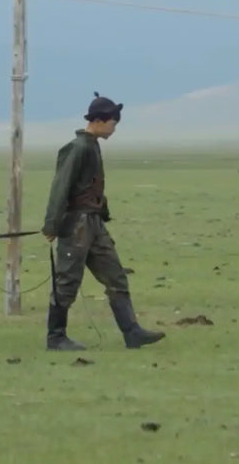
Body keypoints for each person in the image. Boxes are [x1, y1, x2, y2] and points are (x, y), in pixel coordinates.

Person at [40, 92, 166, 351]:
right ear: (98, 121)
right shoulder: (77, 148)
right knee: (66, 282)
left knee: (115, 276)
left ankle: (132, 333)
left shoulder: (91, 146)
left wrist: (102, 212)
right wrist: (52, 224)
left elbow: (92, 186)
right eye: (112, 123)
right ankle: (56, 337)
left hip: (94, 223)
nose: (114, 128)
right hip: (76, 224)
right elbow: (60, 187)